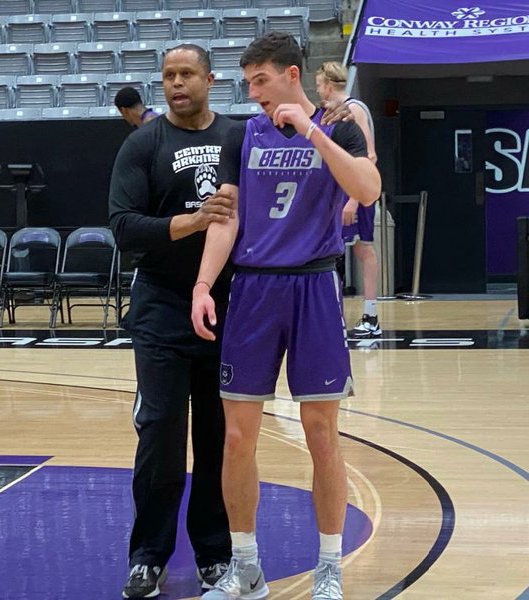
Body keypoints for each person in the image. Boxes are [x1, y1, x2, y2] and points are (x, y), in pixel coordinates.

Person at [191, 33, 381, 600]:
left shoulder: (339, 127)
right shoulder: (238, 134)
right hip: (251, 289)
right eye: (248, 83)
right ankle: (245, 566)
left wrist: (312, 130)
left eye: (262, 82)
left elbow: (367, 190)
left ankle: (329, 568)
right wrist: (204, 284)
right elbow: (226, 218)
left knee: (322, 434)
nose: (253, 94)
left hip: (313, 287)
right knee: (235, 438)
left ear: (292, 75)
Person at [109, 43, 244, 599]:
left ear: (210, 79)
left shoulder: (237, 137)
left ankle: (214, 553)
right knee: (161, 435)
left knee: (218, 437)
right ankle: (148, 556)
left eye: (187, 74)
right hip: (162, 306)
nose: (176, 83)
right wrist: (192, 222)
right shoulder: (143, 143)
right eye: (168, 76)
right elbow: (123, 226)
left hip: (230, 307)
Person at [316, 61, 381, 337]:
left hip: (355, 191)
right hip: (348, 189)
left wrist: (353, 199)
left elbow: (368, 156)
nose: (318, 91)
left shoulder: (351, 109)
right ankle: (341, 316)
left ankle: (371, 316)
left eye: (319, 85)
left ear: (329, 86)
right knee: (351, 251)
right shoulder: (345, 109)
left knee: (362, 250)